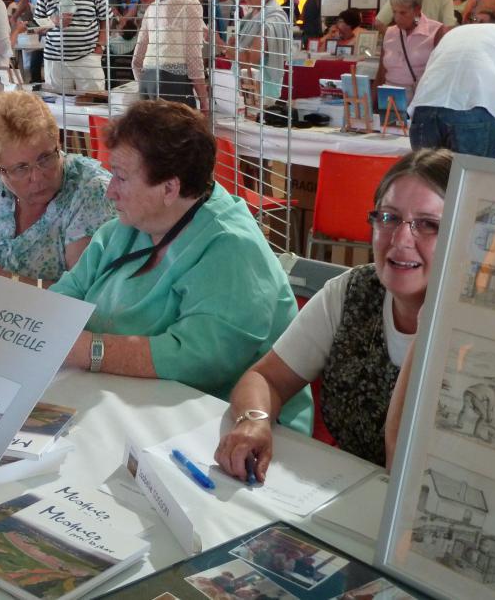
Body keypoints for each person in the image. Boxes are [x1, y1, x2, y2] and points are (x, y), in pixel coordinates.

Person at [51, 100, 311, 430]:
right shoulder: (125, 229)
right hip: (132, 406)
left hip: (231, 429)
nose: (110, 193)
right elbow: (66, 295)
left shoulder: (232, 248)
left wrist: (92, 350)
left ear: (170, 188)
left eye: (120, 177)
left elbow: (199, 359)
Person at [215, 149, 453, 480]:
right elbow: (266, 378)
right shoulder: (352, 293)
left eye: (428, 225)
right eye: (389, 217)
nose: (400, 239)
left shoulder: (480, 331)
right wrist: (254, 419)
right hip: (344, 496)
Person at [0, 91, 113, 289]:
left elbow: (85, 295)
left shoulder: (90, 192)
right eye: (21, 168)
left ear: (57, 142)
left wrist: (2, 280)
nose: (37, 177)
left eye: (45, 158)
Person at [409, 23, 495, 157]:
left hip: (424, 106)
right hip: (474, 106)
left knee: (428, 176)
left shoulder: (463, 31)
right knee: (474, 177)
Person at [131, 0, 208, 111]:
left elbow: (137, 59)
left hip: (147, 80)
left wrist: (146, 82)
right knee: (180, 134)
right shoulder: (189, 4)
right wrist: (204, 100)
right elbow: (193, 56)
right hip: (172, 80)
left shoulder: (153, 6)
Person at [34, 0, 112, 91]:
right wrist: (53, 21)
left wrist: (99, 46)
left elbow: (106, 17)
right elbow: (35, 25)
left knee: (93, 101)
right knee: (58, 103)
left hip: (88, 56)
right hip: (55, 59)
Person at [224, 0, 291, 106]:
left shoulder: (273, 19)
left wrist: (221, 45)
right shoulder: (251, 15)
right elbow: (239, 50)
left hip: (262, 91)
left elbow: (250, 59)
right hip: (245, 87)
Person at [374, 0, 445, 102]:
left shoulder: (436, 31)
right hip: (388, 101)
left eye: (403, 13)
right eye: (394, 12)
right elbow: (381, 72)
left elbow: (441, 75)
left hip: (419, 102)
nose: (397, 18)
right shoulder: (390, 32)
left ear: (417, 9)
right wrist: (373, 104)